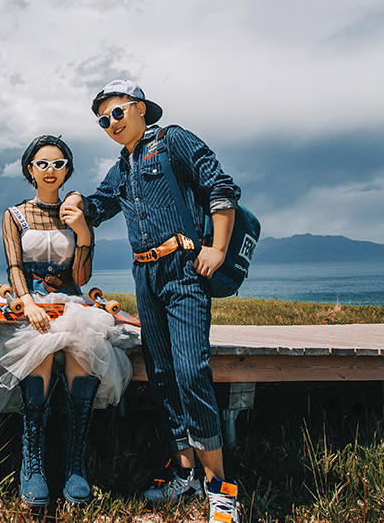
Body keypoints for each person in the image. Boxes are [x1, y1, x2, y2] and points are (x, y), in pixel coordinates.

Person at [63, 79, 242, 523]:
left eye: (117, 113)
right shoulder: (122, 167)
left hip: (184, 269)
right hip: (145, 274)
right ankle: (186, 474)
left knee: (191, 370)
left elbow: (220, 185)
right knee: (162, 374)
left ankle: (220, 487)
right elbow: (100, 207)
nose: (110, 124)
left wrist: (216, 250)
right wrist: (74, 200)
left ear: (140, 108)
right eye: (102, 120)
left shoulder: (173, 139)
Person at [0, 135, 137, 508]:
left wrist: (85, 233)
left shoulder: (76, 214)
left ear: (68, 169)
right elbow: (14, 266)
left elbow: (83, 277)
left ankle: (75, 463)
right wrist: (28, 302)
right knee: (37, 347)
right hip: (29, 300)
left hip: (70, 299)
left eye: (59, 164)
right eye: (43, 164)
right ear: (30, 170)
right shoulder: (15, 215)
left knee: (83, 345)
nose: (51, 170)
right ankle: (33, 463)